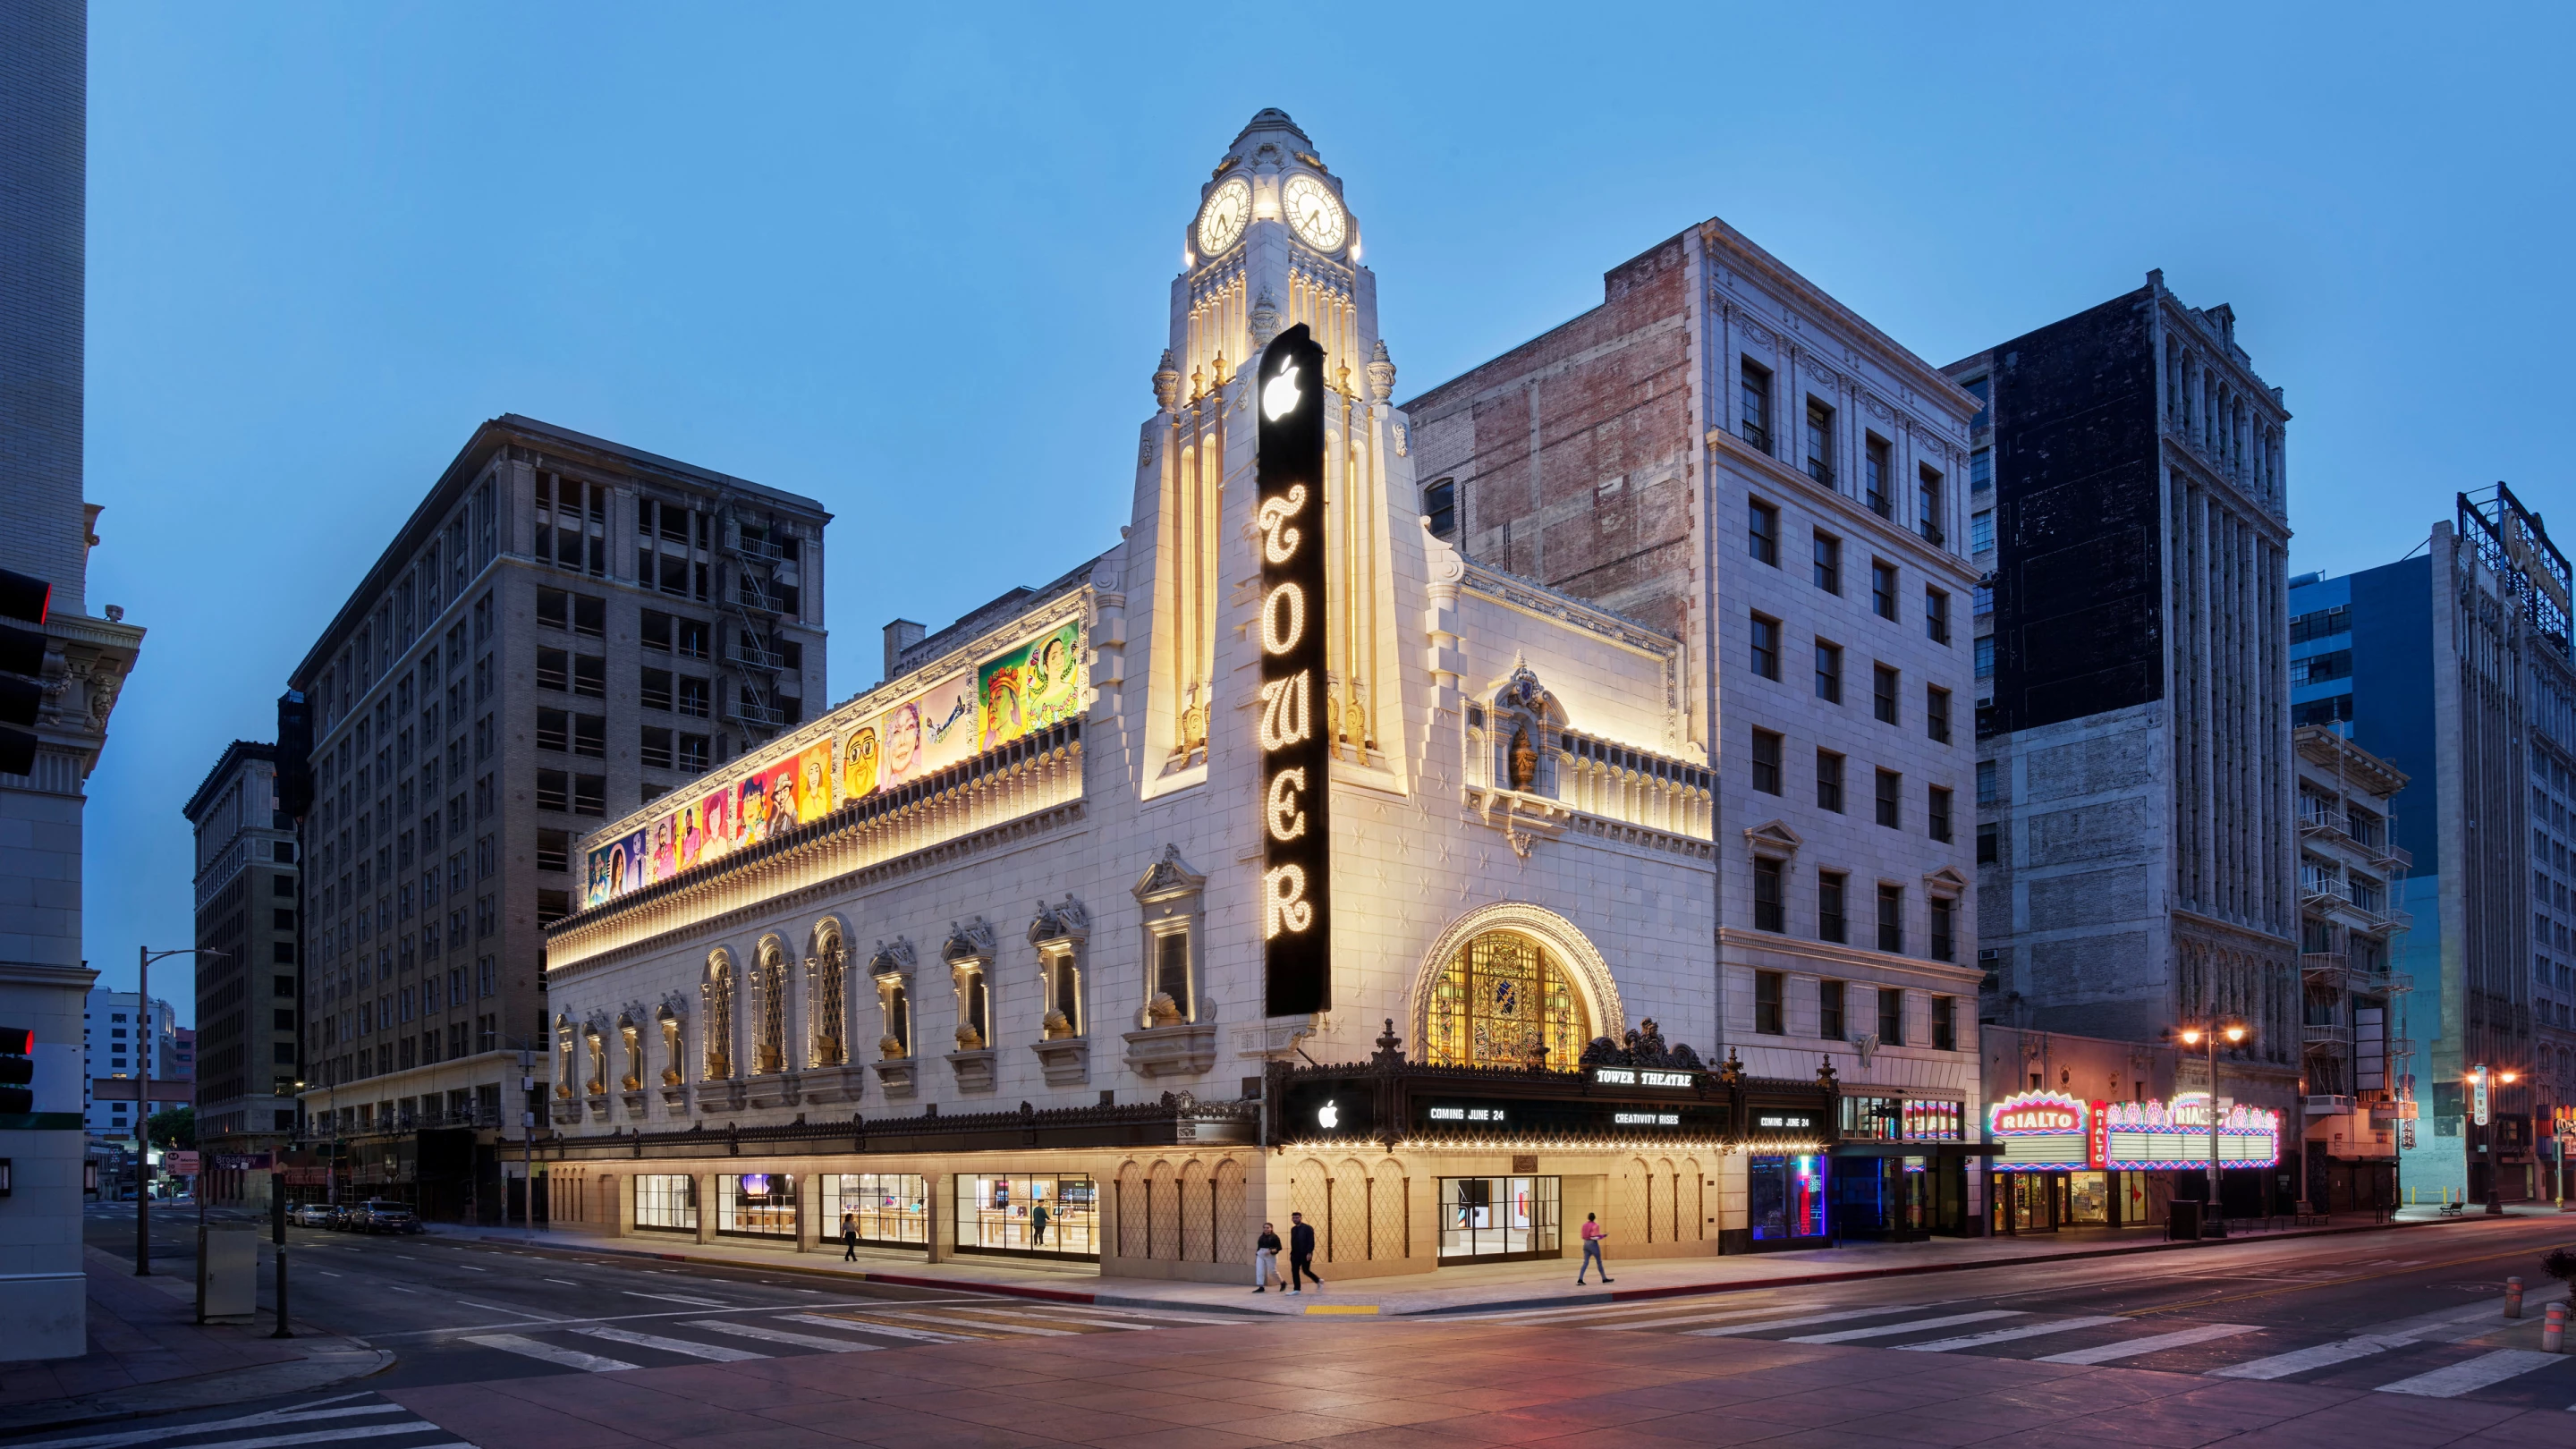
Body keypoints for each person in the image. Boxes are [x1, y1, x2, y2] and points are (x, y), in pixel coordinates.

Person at [1287, 1211, 1322, 1292]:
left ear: (1301, 1218)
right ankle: (1297, 1289)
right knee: (1294, 1271)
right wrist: (1292, 1254)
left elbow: (1311, 1241)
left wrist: (1309, 1252)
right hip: (1295, 1254)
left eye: (1297, 1218)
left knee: (1305, 1270)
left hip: (1305, 1253)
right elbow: (1293, 1241)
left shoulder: (1307, 1228)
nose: (1295, 1219)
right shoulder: (1293, 1229)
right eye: (1293, 1218)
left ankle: (1318, 1281)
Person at [1576, 1211, 1612, 1284]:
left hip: (1585, 1243)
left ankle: (1580, 1279)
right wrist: (1603, 1236)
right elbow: (1595, 1237)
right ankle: (1604, 1278)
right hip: (1593, 1244)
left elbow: (1582, 1236)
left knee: (1585, 1262)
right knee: (1599, 1262)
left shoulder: (1584, 1225)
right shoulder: (1596, 1225)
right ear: (1594, 1218)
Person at [1253, 1222, 1284, 1292]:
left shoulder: (1275, 1237)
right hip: (1261, 1254)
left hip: (1270, 1254)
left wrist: (1271, 1251)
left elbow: (1279, 1247)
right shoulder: (1261, 1237)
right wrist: (1256, 1256)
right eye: (1264, 1228)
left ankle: (1282, 1282)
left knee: (1272, 1271)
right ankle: (1261, 1286)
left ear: (1271, 1228)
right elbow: (1259, 1247)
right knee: (1259, 1270)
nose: (1266, 1229)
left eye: (1267, 1228)